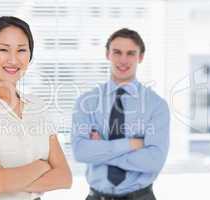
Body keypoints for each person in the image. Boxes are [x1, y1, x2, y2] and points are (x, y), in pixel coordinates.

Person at [0, 16, 72, 200]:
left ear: (30, 56)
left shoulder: (37, 106)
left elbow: (65, 177)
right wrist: (42, 166)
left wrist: (8, 181)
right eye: (3, 50)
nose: (13, 59)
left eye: (22, 50)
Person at [71, 28, 170, 200]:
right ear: (107, 54)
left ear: (140, 57)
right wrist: (132, 144)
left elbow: (154, 161)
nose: (123, 60)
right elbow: (81, 152)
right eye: (117, 52)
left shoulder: (157, 106)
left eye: (130, 53)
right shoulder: (86, 102)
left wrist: (101, 150)